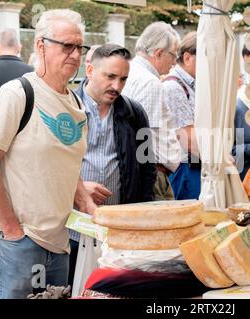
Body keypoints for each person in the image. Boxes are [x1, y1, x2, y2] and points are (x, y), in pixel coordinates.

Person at [0, 9, 96, 299]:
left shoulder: (76, 100)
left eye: (80, 47)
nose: (75, 55)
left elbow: (67, 163)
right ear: (40, 45)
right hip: (17, 242)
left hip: (59, 241)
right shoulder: (17, 93)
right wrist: (13, 231)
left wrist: (87, 203)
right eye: (67, 46)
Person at [68, 44, 157, 286]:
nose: (116, 86)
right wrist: (79, 187)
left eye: (123, 79)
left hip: (119, 232)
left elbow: (148, 164)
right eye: (110, 77)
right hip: (72, 230)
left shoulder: (135, 112)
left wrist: (141, 220)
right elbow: (48, 166)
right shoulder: (66, 108)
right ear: (89, 70)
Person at [122, 22, 182, 201]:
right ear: (158, 53)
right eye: (173, 55)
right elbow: (145, 137)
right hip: (153, 177)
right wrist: (148, 181)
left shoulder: (131, 71)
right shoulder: (149, 81)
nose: (174, 61)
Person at [162, 32, 200, 200]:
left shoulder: (190, 84)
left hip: (192, 165)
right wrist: (218, 158)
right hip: (184, 169)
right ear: (187, 58)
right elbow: (187, 139)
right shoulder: (174, 87)